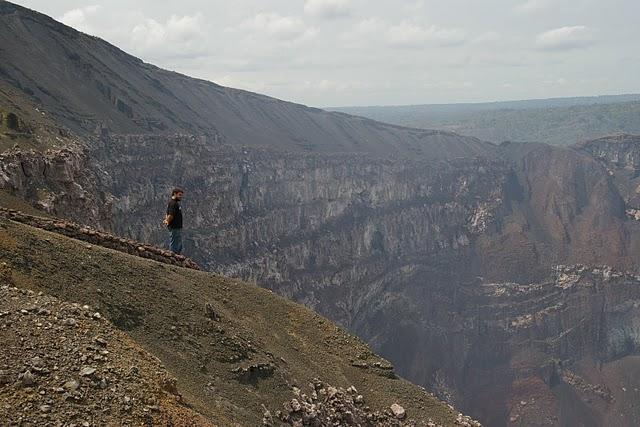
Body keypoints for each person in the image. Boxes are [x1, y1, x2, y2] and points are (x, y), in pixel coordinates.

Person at [163, 188, 184, 254]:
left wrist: (166, 220)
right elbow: (171, 215)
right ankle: (173, 255)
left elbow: (167, 213)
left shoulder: (172, 203)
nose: (181, 197)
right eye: (179, 195)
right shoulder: (173, 204)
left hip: (176, 227)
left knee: (178, 242)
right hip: (175, 227)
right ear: (174, 194)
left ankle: (176, 255)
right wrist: (167, 221)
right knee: (175, 243)